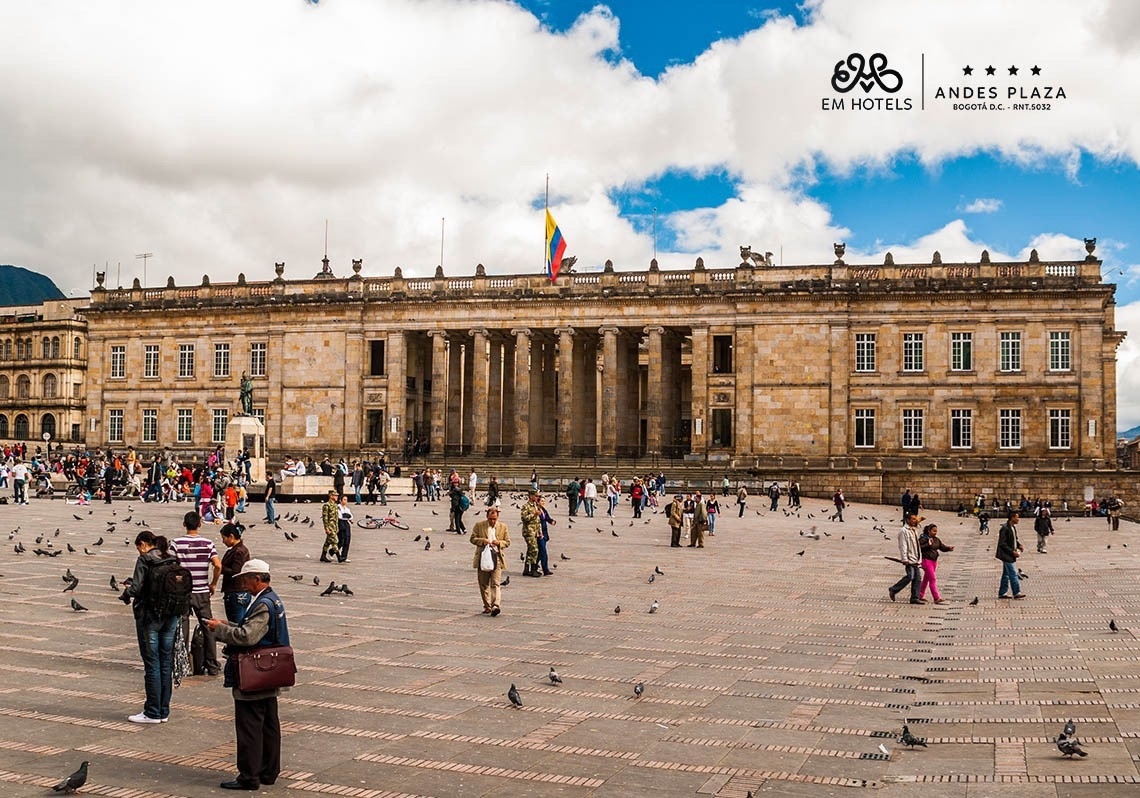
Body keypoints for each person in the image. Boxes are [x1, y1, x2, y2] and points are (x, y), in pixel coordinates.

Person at [205, 559, 289, 790]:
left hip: (256, 674)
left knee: (250, 727)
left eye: (245, 579)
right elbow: (252, 629)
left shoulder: (263, 603)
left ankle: (249, 776)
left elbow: (247, 637)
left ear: (257, 579)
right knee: (269, 725)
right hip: (270, 672)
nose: (243, 584)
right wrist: (228, 623)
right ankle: (268, 772)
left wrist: (219, 629)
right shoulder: (272, 600)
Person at [122, 530, 182, 723]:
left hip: (151, 617)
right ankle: (164, 710)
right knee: (166, 663)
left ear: (145, 543)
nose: (139, 551)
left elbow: (137, 588)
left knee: (152, 664)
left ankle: (152, 712)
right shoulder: (172, 558)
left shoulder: (146, 560)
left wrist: (127, 590)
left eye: (139, 547)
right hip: (171, 615)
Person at [172, 511, 223, 676]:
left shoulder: (176, 543)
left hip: (183, 592)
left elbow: (171, 567)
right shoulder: (208, 543)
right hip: (202, 591)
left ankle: (183, 664)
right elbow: (218, 565)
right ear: (200, 524)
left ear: (184, 524)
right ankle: (212, 664)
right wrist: (213, 583)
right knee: (208, 627)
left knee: (182, 628)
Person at [470, 506, 510, 615]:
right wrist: (482, 540)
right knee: (483, 584)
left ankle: (495, 605)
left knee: (495, 583)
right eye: (490, 519)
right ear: (487, 517)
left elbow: (507, 542)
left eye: (494, 519)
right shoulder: (479, 526)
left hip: (497, 557)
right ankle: (487, 605)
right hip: (483, 557)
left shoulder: (503, 527)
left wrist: (499, 543)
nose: (492, 521)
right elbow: (472, 539)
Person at [219, 523, 252, 622]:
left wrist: (221, 568)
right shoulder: (238, 550)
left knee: (236, 623)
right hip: (239, 592)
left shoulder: (238, 551)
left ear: (231, 537)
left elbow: (236, 571)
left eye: (224, 538)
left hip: (236, 591)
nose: (223, 541)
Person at [889, 513, 924, 604]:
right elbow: (902, 546)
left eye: (915, 519)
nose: (915, 520)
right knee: (910, 576)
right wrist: (904, 558)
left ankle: (914, 598)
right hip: (909, 559)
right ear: (907, 520)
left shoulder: (913, 530)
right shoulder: (903, 531)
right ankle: (893, 589)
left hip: (915, 558)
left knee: (918, 578)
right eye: (912, 519)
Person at [917, 523, 953, 604]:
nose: (935, 532)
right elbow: (919, 548)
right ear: (929, 531)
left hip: (934, 561)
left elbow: (942, 547)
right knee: (932, 579)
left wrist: (948, 548)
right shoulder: (923, 538)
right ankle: (936, 597)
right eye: (933, 531)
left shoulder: (936, 539)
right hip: (926, 560)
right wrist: (928, 544)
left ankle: (920, 595)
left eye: (936, 531)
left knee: (926, 579)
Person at [996, 511, 1026, 599]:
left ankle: (1002, 593)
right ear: (1012, 518)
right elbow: (1002, 543)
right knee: (1013, 573)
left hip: (1009, 554)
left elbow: (1014, 539)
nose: (1018, 519)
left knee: (1006, 574)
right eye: (1017, 517)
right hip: (1006, 555)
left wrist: (1019, 545)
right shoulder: (1005, 528)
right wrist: (1012, 552)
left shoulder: (1012, 527)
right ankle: (1016, 592)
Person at [520, 490, 542, 576]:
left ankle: (526, 569)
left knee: (530, 550)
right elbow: (524, 518)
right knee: (534, 550)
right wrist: (534, 514)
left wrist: (539, 531)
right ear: (531, 496)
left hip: (534, 531)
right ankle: (533, 569)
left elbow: (538, 521)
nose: (537, 498)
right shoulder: (526, 506)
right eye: (536, 496)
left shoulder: (536, 506)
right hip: (529, 531)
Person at [537, 495, 556, 576]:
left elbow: (547, 518)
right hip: (539, 533)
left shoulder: (543, 510)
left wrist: (552, 521)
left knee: (540, 553)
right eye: (541, 501)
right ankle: (545, 569)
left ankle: (533, 566)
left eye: (544, 501)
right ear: (537, 502)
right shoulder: (536, 510)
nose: (543, 502)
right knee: (543, 552)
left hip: (544, 533)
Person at [320, 490, 339, 563]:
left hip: (334, 526)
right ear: (331, 496)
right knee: (335, 541)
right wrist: (326, 528)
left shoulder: (335, 505)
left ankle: (323, 556)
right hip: (330, 526)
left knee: (328, 542)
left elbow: (336, 518)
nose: (336, 497)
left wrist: (337, 527)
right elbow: (325, 518)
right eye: (335, 495)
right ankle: (339, 556)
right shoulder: (326, 505)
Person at [337, 493, 353, 563]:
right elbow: (340, 516)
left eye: (346, 500)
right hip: (340, 523)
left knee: (347, 540)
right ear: (340, 500)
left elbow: (351, 516)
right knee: (341, 540)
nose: (346, 501)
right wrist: (347, 516)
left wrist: (347, 516)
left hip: (346, 524)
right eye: (344, 499)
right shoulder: (338, 507)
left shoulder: (347, 508)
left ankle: (344, 556)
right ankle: (332, 551)